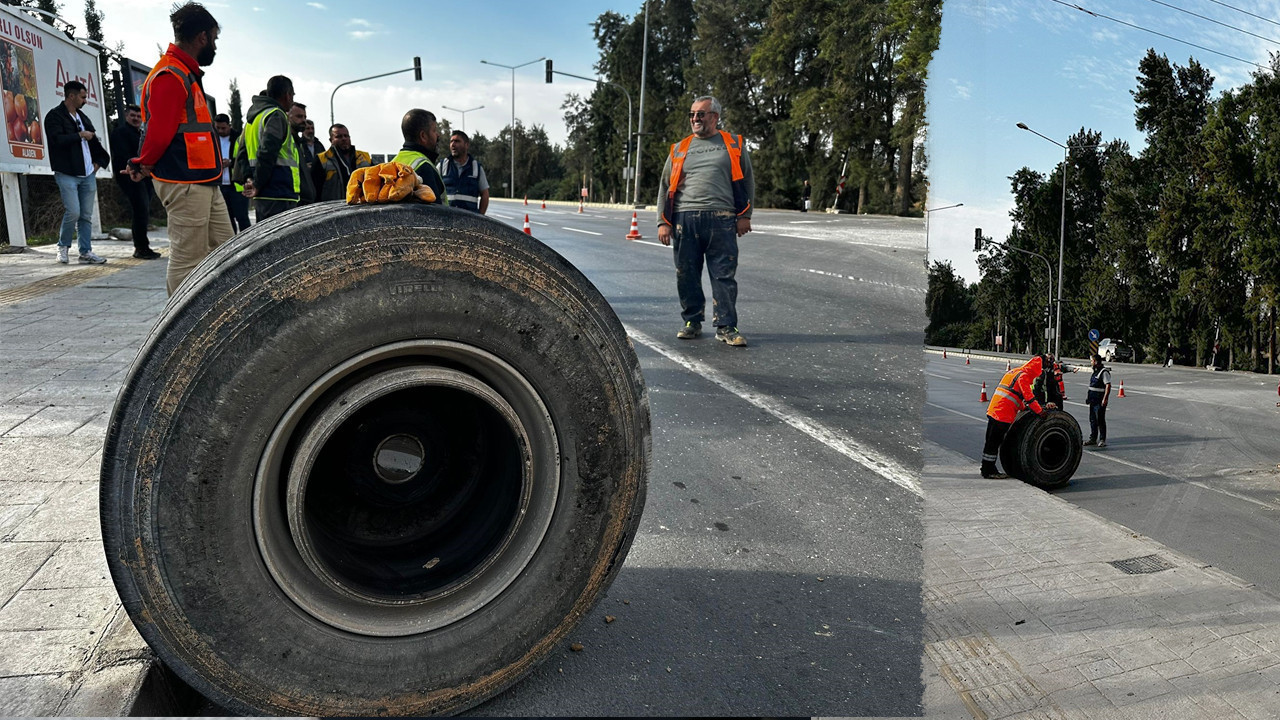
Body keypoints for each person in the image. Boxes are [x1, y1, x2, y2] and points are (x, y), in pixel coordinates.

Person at [126, 2, 232, 294]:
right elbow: (160, 131)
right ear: (202, 37)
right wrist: (143, 161)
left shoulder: (184, 73)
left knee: (227, 251)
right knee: (188, 261)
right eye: (214, 38)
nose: (215, 45)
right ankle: (181, 333)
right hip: (184, 182)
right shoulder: (170, 75)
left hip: (201, 180)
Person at [656, 95, 754, 346]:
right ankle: (692, 321)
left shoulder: (733, 144)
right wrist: (662, 222)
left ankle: (727, 326)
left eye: (700, 113)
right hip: (684, 218)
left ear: (715, 117)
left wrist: (745, 215)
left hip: (722, 219)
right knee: (686, 273)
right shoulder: (680, 148)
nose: (695, 118)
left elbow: (747, 182)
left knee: (723, 274)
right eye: (692, 114)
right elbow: (665, 186)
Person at [45, 79, 111, 265]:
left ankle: (86, 252)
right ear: (71, 96)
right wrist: (79, 135)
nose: (85, 100)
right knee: (73, 212)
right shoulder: (54, 116)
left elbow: (96, 146)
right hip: (66, 172)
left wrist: (97, 164)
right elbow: (56, 140)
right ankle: (63, 247)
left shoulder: (83, 118)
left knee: (85, 216)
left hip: (87, 174)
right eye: (82, 97)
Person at [981, 354, 1057, 479]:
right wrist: (1040, 412)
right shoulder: (1024, 377)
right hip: (1002, 414)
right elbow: (1029, 398)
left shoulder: (1014, 372)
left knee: (990, 442)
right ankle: (989, 471)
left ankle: (986, 468)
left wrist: (1023, 408)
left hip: (994, 410)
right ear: (1037, 368)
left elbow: (1013, 394)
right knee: (994, 442)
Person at [234, 76, 299, 221]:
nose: (292, 100)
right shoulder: (276, 115)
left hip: (263, 194)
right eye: (292, 95)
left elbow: (242, 154)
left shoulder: (252, 120)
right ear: (287, 94)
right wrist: (256, 183)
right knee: (284, 242)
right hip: (279, 192)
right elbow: (267, 152)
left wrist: (250, 179)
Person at [109, 104, 160, 259]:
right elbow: (122, 157)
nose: (136, 118)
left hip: (144, 178)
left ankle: (143, 246)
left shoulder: (142, 133)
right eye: (133, 116)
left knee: (143, 211)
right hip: (131, 178)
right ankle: (141, 248)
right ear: (126, 116)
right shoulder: (120, 133)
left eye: (139, 116)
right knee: (140, 211)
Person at [392, 109, 447, 204]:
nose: (437, 135)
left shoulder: (391, 164)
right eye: (434, 130)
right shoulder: (424, 166)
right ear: (423, 136)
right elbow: (436, 215)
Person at [436, 130, 489, 213]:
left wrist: (480, 217)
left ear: (466, 145)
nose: (453, 144)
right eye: (451, 141)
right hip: (447, 219)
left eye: (457, 141)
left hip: (469, 221)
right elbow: (432, 191)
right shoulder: (442, 166)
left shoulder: (476, 168)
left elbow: (485, 194)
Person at [313, 123, 371, 201]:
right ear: (331, 140)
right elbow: (315, 189)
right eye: (339, 136)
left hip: (361, 203)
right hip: (334, 206)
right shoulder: (321, 159)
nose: (344, 139)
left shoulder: (364, 157)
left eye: (346, 136)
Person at [213, 113, 250, 232]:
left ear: (229, 126)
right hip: (220, 185)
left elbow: (245, 158)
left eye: (223, 128)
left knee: (242, 218)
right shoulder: (213, 139)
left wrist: (231, 162)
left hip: (237, 186)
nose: (220, 130)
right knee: (226, 220)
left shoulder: (238, 138)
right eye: (217, 128)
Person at [287, 102, 316, 204]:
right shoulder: (287, 141)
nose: (303, 120)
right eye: (299, 116)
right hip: (293, 198)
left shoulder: (297, 141)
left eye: (304, 117)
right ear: (287, 116)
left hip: (303, 198)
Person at [1084, 353, 1112, 448]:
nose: (1091, 362)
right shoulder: (1095, 371)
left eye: (1092, 361)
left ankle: (1102, 439)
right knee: (1092, 420)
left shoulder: (1104, 372)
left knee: (1100, 420)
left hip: (1099, 400)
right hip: (1092, 399)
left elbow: (1108, 385)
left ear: (1096, 362)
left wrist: (1105, 398)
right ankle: (1093, 439)